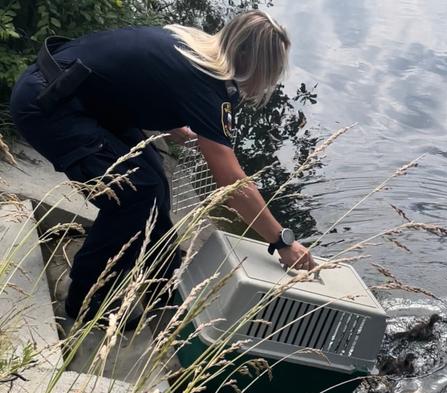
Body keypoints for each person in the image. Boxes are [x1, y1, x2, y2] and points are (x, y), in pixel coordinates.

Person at [9, 11, 316, 329]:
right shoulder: (207, 83)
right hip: (50, 105)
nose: (265, 81)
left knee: (155, 182)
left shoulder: (191, 44)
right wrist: (282, 241)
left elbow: (138, 78)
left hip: (76, 93)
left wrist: (171, 125)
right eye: (268, 71)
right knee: (131, 197)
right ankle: (86, 298)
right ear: (247, 59)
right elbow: (233, 186)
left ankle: (160, 271)